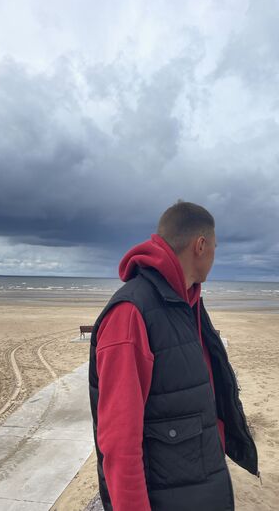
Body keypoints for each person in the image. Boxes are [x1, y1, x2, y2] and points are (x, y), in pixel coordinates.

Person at [88, 201, 260, 511]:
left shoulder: (186, 303)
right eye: (215, 247)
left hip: (197, 488)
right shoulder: (131, 313)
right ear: (201, 245)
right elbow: (119, 442)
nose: (215, 255)